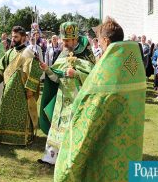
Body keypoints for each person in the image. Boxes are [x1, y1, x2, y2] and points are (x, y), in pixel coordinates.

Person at [54, 17, 146, 182]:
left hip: (108, 140)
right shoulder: (132, 62)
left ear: (105, 40)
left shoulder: (109, 67)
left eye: (99, 40)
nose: (99, 44)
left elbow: (90, 101)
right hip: (130, 138)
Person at [38, 22, 95, 165]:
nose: (64, 43)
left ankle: (72, 160)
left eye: (67, 40)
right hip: (62, 98)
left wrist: (76, 73)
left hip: (78, 99)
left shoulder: (87, 54)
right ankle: (51, 157)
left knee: (73, 128)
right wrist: (48, 70)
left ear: (75, 39)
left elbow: (95, 78)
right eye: (63, 40)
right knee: (57, 126)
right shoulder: (63, 53)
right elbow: (57, 78)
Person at [0, 26, 43, 145]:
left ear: (24, 38)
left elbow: (36, 71)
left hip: (23, 90)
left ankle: (22, 138)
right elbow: (1, 67)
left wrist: (31, 88)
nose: (13, 39)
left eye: (16, 37)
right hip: (8, 90)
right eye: (12, 37)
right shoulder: (10, 52)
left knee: (22, 114)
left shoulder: (30, 53)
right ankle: (3, 136)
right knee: (5, 112)